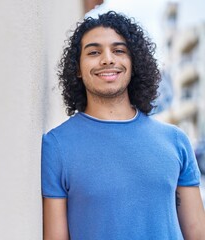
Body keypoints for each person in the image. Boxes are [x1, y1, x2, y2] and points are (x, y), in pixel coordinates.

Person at [41, 11, 205, 240]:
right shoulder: (56, 145)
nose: (107, 59)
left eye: (119, 50)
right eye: (94, 52)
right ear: (77, 69)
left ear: (133, 63)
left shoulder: (175, 141)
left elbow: (197, 233)